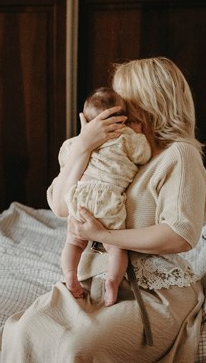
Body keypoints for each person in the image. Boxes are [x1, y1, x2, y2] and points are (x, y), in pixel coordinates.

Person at [0, 56, 206, 363]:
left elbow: (179, 235)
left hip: (154, 289)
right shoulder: (112, 145)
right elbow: (61, 205)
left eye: (125, 96)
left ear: (148, 100)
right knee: (25, 332)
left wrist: (106, 235)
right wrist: (83, 146)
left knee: (78, 348)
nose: (116, 104)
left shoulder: (178, 157)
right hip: (97, 275)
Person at [59, 86, 152, 306]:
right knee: (115, 246)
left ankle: (70, 275)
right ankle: (112, 281)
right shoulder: (126, 137)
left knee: (73, 242)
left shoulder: (76, 142)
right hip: (108, 198)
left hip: (80, 197)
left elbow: (64, 157)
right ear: (123, 119)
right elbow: (144, 154)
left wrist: (82, 139)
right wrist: (137, 132)